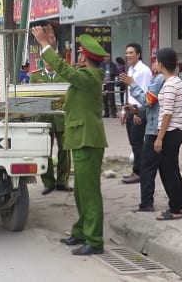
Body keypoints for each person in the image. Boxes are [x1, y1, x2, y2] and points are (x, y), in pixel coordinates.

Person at [31, 26, 108, 256]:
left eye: (80, 54)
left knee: (90, 192)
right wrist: (51, 47)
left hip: (88, 140)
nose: (77, 58)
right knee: (81, 192)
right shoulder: (86, 76)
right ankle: (82, 231)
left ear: (84, 57)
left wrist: (45, 45)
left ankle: (95, 240)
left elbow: (63, 69)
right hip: (82, 139)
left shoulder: (89, 77)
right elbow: (65, 70)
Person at [153, 48, 182, 220]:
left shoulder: (169, 85)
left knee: (168, 172)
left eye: (156, 61)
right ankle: (180, 204)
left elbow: (167, 113)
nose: (154, 64)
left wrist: (159, 137)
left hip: (169, 132)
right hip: (176, 131)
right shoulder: (177, 82)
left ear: (161, 64)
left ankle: (174, 209)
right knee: (173, 170)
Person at [30, 60, 71, 195]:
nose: (49, 62)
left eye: (51, 59)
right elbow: (33, 97)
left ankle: (62, 182)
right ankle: (48, 182)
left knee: (64, 151)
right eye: (46, 60)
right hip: (44, 117)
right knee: (45, 151)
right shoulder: (35, 76)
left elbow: (69, 95)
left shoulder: (63, 75)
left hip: (61, 118)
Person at [121, 43, 152, 185]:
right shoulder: (130, 70)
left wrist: (138, 112)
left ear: (138, 54)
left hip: (138, 111)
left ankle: (140, 172)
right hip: (129, 110)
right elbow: (127, 91)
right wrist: (123, 110)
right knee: (133, 142)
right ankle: (136, 170)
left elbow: (145, 93)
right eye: (126, 53)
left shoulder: (143, 71)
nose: (128, 55)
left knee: (138, 142)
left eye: (131, 52)